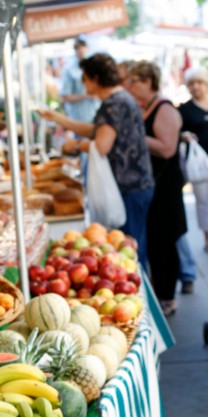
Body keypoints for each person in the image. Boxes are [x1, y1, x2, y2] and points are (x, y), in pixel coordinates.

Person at [38, 53, 155, 268]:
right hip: (136, 183)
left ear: (95, 78)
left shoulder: (113, 103)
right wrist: (58, 118)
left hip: (129, 187)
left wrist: (73, 146)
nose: (82, 83)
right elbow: (97, 130)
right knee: (133, 246)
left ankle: (145, 297)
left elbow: (101, 144)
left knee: (129, 250)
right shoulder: (119, 99)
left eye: (84, 77)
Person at [128, 60, 187, 316]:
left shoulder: (164, 109)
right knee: (155, 239)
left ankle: (167, 296)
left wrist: (133, 135)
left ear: (147, 82)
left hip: (166, 186)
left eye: (134, 82)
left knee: (165, 240)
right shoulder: (148, 107)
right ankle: (159, 289)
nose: (130, 87)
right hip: (153, 183)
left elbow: (166, 148)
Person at [178, 67, 208, 253]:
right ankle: (207, 237)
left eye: (199, 82)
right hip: (199, 164)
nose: (196, 87)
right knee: (203, 201)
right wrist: (184, 135)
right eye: (192, 84)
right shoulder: (185, 109)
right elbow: (177, 130)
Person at [60, 36, 100, 123]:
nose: (80, 49)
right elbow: (65, 97)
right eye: (77, 47)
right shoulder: (69, 69)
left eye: (82, 46)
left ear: (87, 47)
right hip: (80, 118)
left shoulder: (95, 66)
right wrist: (87, 95)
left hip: (97, 115)